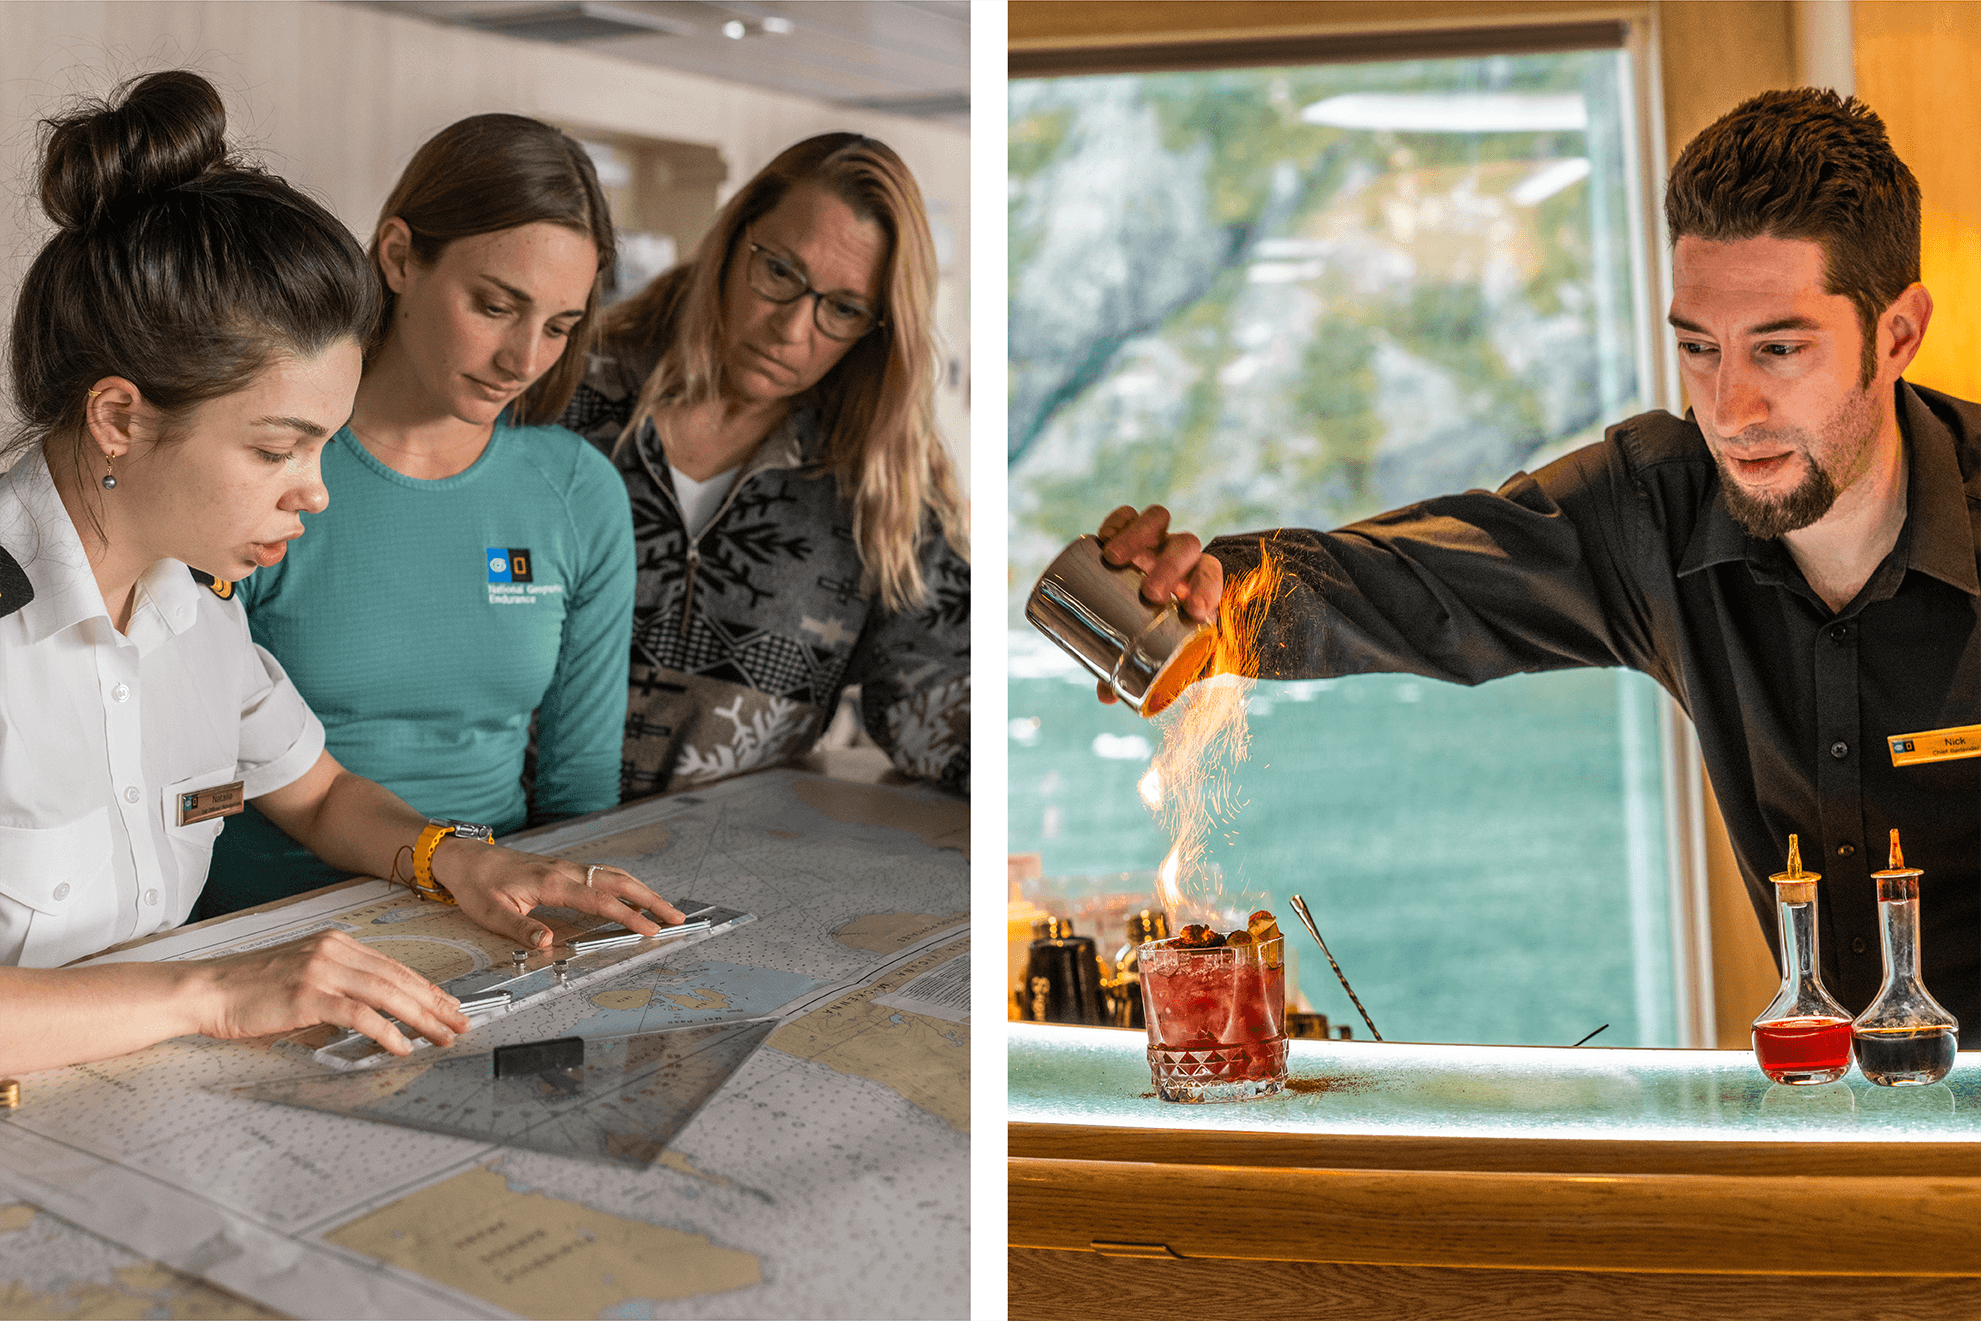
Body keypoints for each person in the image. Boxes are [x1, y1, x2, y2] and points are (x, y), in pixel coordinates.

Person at [1096, 89, 1979, 1031]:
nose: (1730, 407)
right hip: (1844, 1126)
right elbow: (1421, 581)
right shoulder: (1655, 509)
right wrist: (1206, 605)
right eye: (1697, 348)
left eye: (1778, 348)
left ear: (1896, 334)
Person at [0, 71, 681, 1074]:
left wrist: (458, 860)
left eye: (324, 446)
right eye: (278, 449)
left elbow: (316, 795)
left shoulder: (193, 611)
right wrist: (222, 990)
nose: (316, 494)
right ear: (120, 418)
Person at [198, 113, 634, 917]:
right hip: (267, 923)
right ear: (398, 256)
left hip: (494, 910)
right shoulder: (270, 465)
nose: (526, 359)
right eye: (497, 306)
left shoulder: (577, 493)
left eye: (560, 326)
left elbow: (580, 793)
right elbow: (187, 761)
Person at [560, 133, 969, 799]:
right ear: (731, 241)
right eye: (779, 272)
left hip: (716, 871)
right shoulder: (563, 390)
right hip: (504, 850)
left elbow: (935, 695)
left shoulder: (883, 479)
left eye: (842, 308)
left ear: (878, 328)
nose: (791, 328)